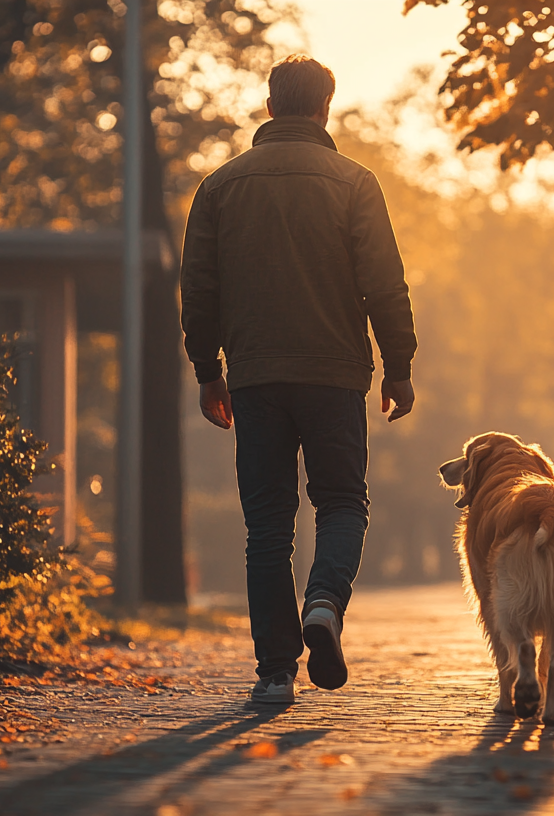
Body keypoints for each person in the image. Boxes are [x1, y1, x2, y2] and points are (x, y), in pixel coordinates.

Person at [179, 54, 417, 705]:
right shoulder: (353, 181)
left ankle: (276, 672)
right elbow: (384, 285)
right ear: (323, 108)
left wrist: (209, 372)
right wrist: (398, 367)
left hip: (255, 379)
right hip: (335, 376)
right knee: (341, 502)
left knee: (268, 525)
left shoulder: (220, 186)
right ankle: (324, 603)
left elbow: (198, 291)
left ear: (270, 105)